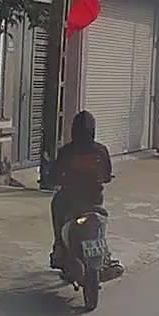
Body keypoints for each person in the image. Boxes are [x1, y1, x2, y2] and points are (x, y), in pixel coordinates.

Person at [50, 111, 113, 269]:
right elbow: (107, 175)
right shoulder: (101, 150)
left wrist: (55, 179)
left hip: (69, 200)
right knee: (99, 224)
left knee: (56, 206)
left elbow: (55, 175)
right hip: (94, 199)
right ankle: (105, 255)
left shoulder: (66, 151)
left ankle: (59, 246)